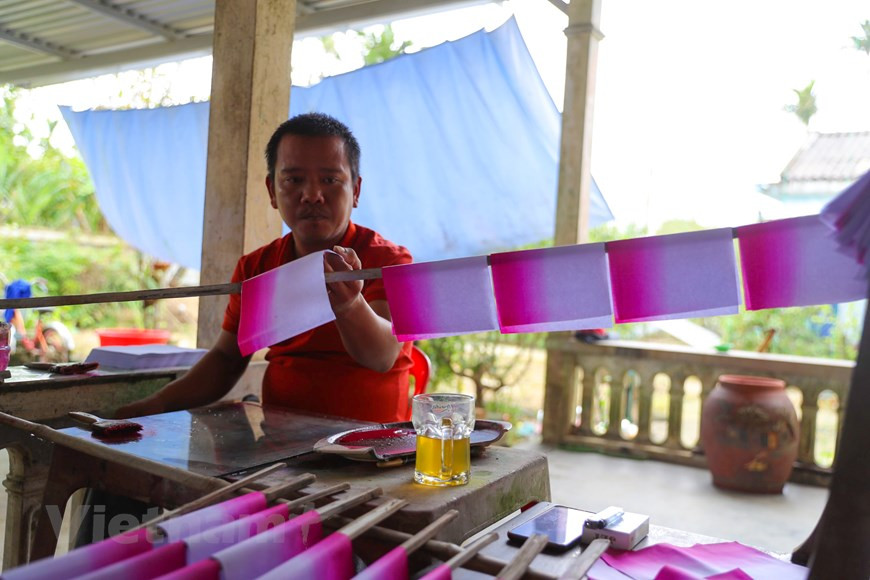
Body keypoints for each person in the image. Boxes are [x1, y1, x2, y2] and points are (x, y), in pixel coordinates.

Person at [117, 112, 413, 423]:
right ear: (272, 191)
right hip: (282, 451)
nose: (312, 195)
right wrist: (154, 406)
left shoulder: (388, 262)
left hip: (373, 452)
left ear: (356, 190)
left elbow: (382, 356)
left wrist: (351, 304)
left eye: (330, 179)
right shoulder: (257, 268)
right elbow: (226, 359)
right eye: (294, 180)